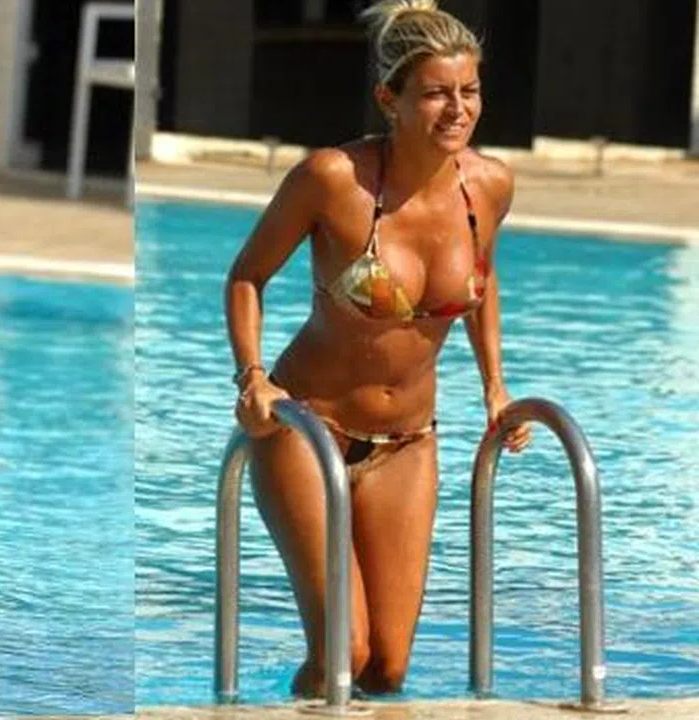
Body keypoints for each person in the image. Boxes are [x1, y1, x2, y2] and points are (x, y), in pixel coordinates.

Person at [224, 0, 531, 698]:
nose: (458, 109)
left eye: (470, 90)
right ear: (389, 98)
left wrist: (495, 386)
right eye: (436, 93)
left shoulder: (490, 186)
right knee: (345, 650)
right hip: (309, 428)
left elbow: (482, 279)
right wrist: (252, 377)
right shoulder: (333, 180)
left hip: (408, 443)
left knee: (387, 668)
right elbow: (246, 276)